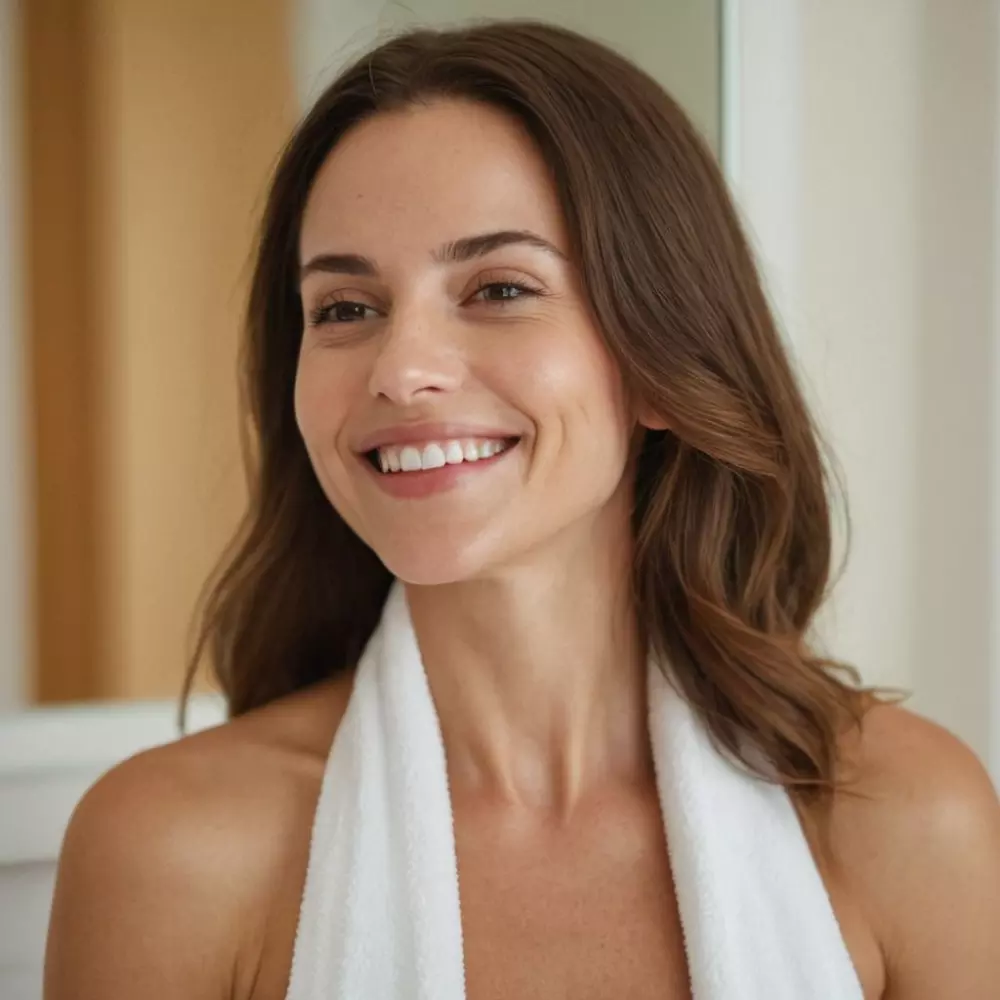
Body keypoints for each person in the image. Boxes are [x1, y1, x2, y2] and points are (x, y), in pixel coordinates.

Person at [44, 20, 1000, 1000]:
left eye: (499, 287)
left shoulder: (909, 819)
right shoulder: (170, 853)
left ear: (660, 366)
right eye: (343, 307)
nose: (402, 367)